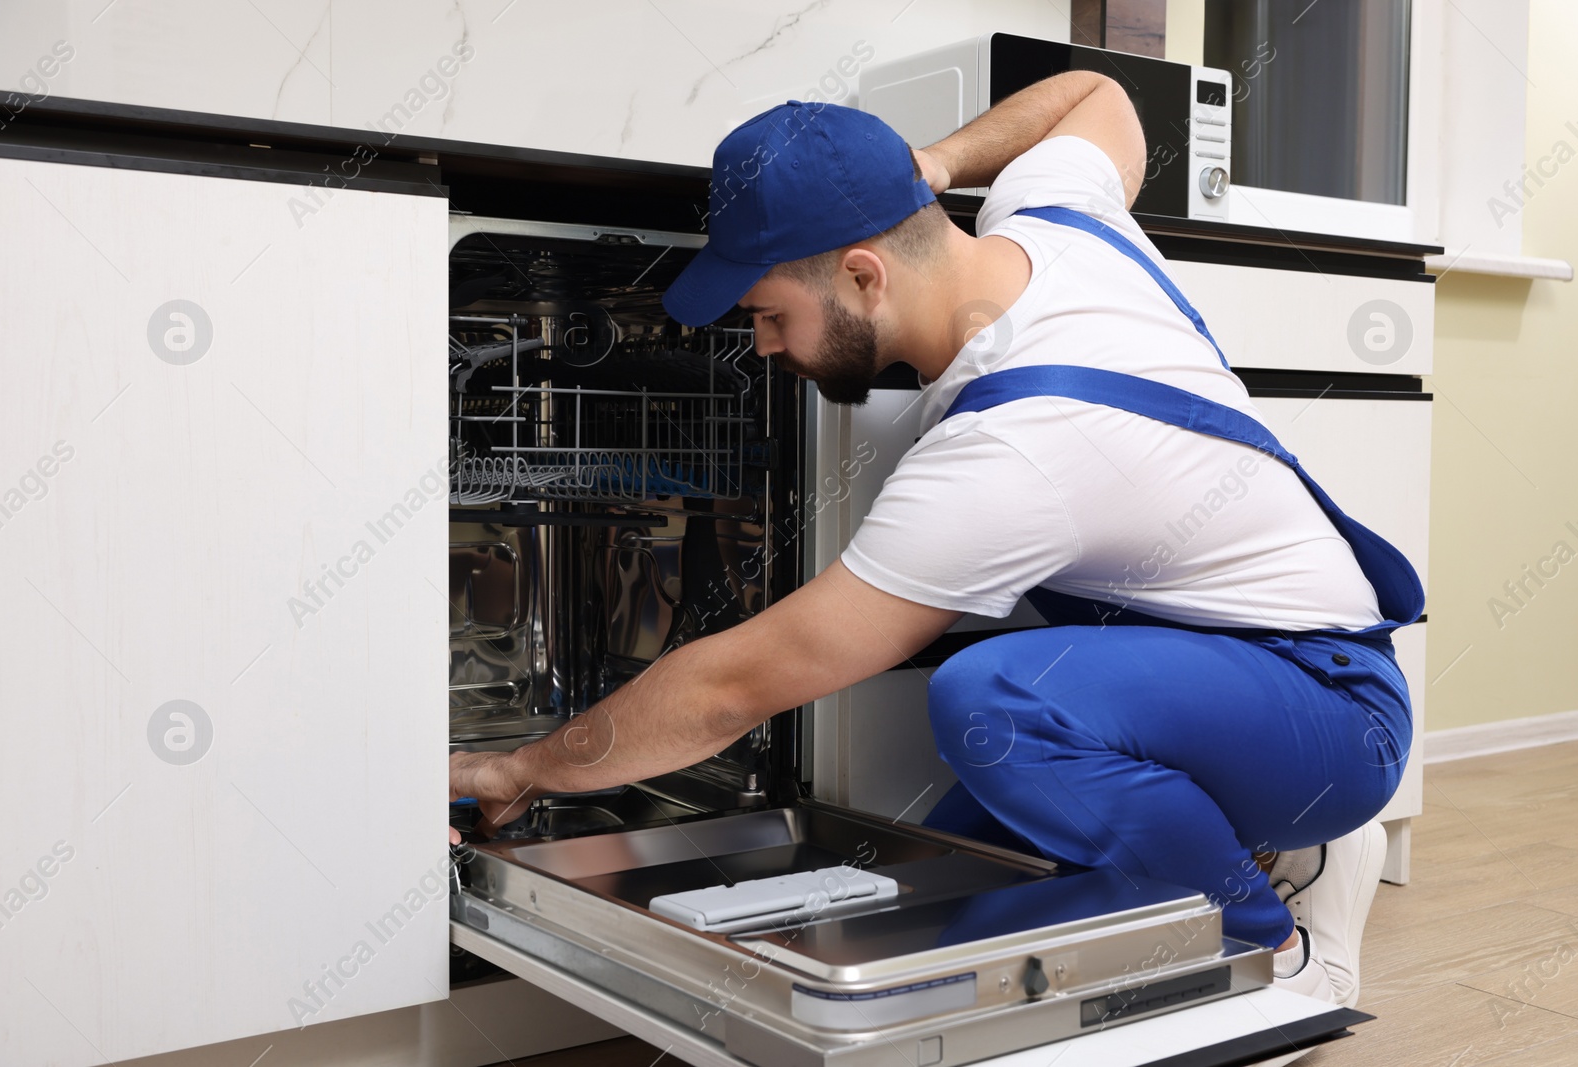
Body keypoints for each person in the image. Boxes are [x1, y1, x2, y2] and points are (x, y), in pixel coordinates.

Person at [449, 73, 1421, 1008]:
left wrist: (519, 767)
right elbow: (1098, 98)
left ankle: (1268, 943)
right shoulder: (1051, 216)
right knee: (940, 894)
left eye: (769, 315)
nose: (763, 347)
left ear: (863, 275)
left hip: (1330, 711)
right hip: (1208, 678)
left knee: (992, 698)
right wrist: (937, 162)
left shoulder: (1007, 450)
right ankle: (1264, 844)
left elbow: (733, 685)